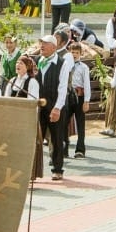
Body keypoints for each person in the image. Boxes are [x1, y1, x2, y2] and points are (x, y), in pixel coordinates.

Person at [37, 33, 72, 181]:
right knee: (38, 138)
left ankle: (58, 169)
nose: (41, 46)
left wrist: (57, 108)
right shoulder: (39, 61)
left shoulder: (62, 63)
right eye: (41, 43)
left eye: (44, 44)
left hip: (55, 105)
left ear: (54, 47)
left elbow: (63, 87)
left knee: (57, 138)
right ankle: (35, 169)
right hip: (40, 106)